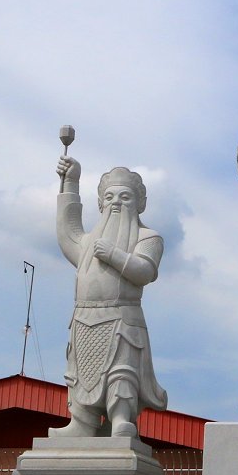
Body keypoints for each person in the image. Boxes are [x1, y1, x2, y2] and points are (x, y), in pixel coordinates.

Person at [52, 157, 168, 438]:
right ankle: (83, 421)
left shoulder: (148, 237)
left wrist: (114, 255)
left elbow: (144, 271)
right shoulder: (87, 242)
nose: (116, 202)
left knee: (121, 371)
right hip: (84, 316)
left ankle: (120, 419)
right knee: (80, 372)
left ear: (139, 204)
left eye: (125, 197)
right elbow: (67, 231)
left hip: (122, 317)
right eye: (110, 197)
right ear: (101, 204)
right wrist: (70, 182)